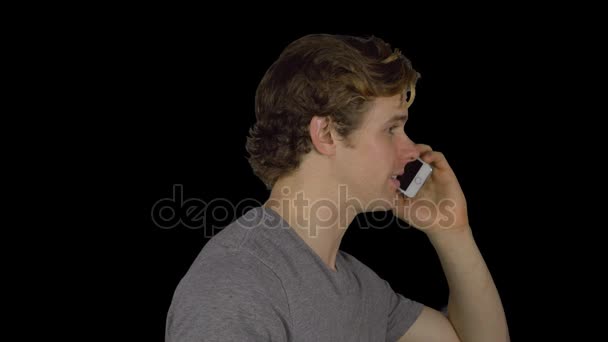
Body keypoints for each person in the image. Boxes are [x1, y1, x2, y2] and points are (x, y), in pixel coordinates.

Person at [165, 33, 509, 341]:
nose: (412, 151)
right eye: (391, 129)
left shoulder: (362, 290)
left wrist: (452, 231)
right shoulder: (236, 283)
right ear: (326, 134)